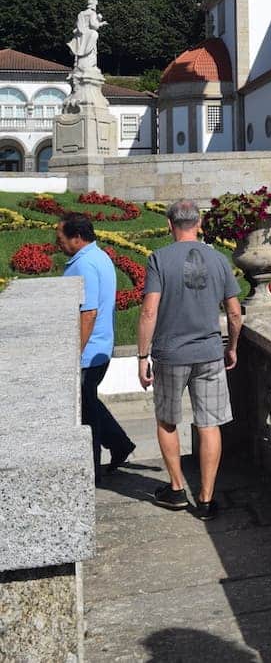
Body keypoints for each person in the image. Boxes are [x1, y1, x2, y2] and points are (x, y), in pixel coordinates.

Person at [137, 199, 243, 519]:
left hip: (170, 354)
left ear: (169, 225)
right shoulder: (219, 260)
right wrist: (232, 346)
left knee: (167, 420)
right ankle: (207, 499)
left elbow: (149, 311)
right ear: (199, 224)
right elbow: (236, 314)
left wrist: (142, 356)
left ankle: (176, 489)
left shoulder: (158, 259)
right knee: (209, 424)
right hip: (210, 352)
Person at [58, 213, 135, 484]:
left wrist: (74, 353)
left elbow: (88, 313)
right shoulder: (98, 256)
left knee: (87, 412)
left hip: (88, 351)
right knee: (89, 401)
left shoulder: (85, 265)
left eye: (62, 237)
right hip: (101, 345)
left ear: (77, 238)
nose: (59, 243)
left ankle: (92, 470)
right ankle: (120, 444)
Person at [67, 0, 107, 72]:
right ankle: (90, 66)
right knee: (94, 36)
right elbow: (93, 25)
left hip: (81, 36)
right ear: (94, 5)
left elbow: (79, 25)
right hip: (88, 36)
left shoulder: (81, 13)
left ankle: (81, 65)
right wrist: (100, 22)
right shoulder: (92, 13)